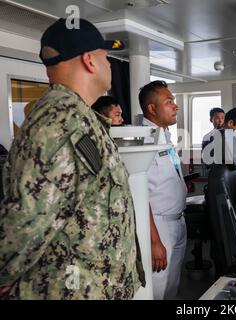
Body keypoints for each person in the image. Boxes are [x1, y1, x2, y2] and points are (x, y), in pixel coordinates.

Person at [0, 18, 144, 299]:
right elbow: (28, 218)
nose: (110, 65)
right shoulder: (61, 120)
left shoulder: (80, 116)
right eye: (105, 57)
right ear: (90, 61)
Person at [138, 80, 186, 300]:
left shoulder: (164, 136)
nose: (175, 106)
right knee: (157, 289)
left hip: (177, 221)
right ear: (152, 108)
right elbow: (138, 195)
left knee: (172, 288)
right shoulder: (141, 141)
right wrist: (154, 241)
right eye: (169, 102)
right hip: (158, 225)